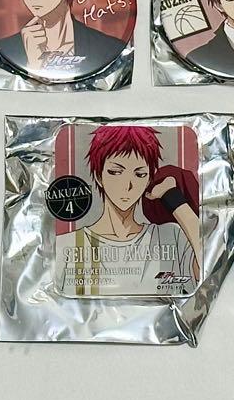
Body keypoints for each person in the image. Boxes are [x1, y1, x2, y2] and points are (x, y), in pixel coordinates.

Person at [56, 124, 200, 297]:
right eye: (115, 172)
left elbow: (208, 270)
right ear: (99, 176)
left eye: (140, 174)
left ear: (148, 180)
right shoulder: (68, 245)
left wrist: (172, 196)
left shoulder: (171, 236)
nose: (128, 185)